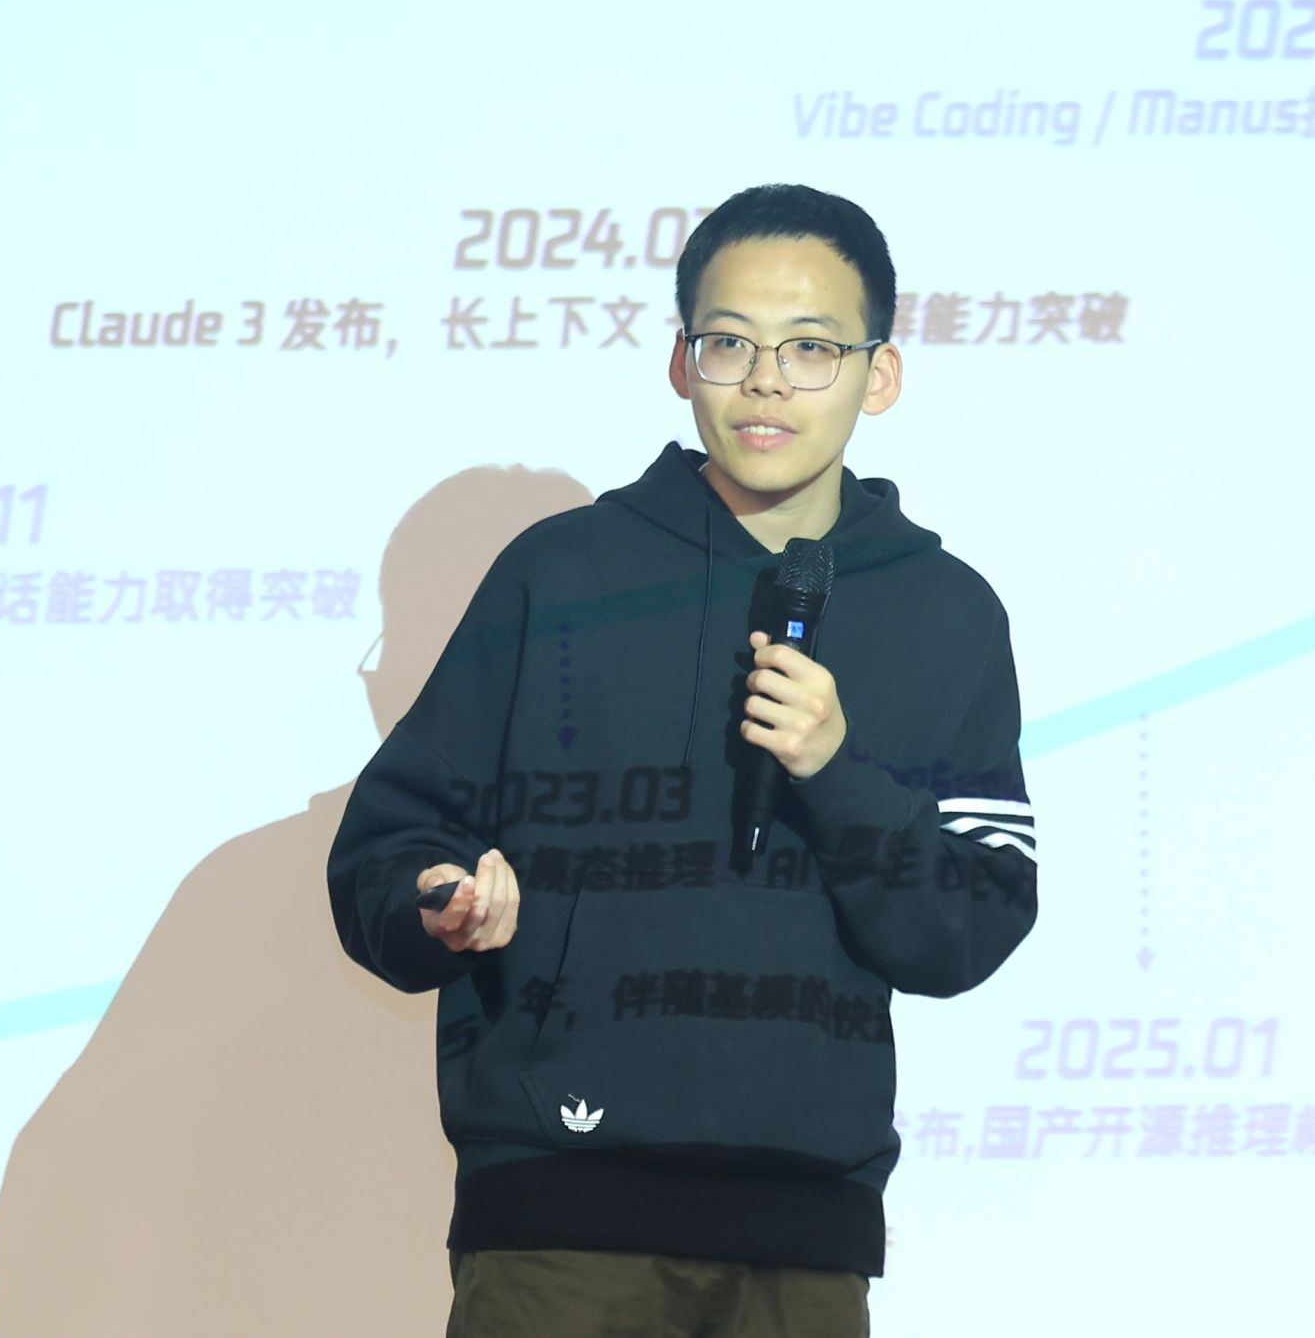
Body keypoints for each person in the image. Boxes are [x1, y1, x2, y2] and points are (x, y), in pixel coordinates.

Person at [327, 182, 1039, 1337]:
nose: (765, 381)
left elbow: (971, 923)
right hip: (556, 1224)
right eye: (729, 343)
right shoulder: (560, 575)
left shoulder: (944, 612)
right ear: (680, 361)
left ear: (880, 374)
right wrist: (436, 901)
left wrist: (835, 770)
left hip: (802, 1244)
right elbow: (392, 842)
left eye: (810, 348)